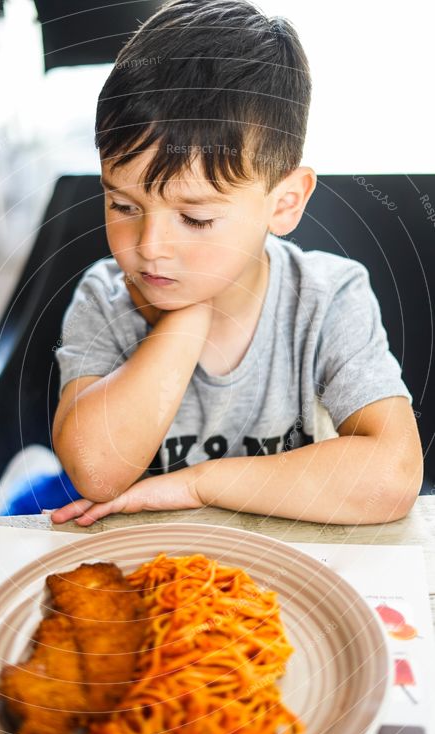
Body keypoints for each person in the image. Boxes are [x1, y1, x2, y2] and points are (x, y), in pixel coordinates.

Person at [50, 0, 423, 528]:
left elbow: (392, 477)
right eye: (124, 206)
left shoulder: (329, 297)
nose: (151, 245)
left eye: (196, 219)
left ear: (285, 202)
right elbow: (95, 468)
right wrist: (187, 318)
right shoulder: (105, 297)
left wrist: (199, 483)